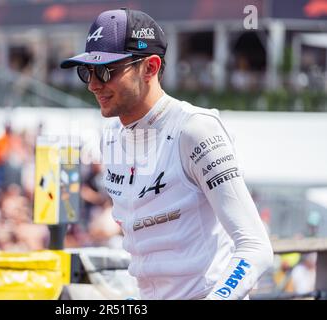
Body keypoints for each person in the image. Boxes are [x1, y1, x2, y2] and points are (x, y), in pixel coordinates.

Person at [60, 8, 273, 300]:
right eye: (86, 71)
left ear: (150, 67)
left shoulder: (196, 129)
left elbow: (255, 247)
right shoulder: (111, 137)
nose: (94, 84)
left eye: (106, 70)